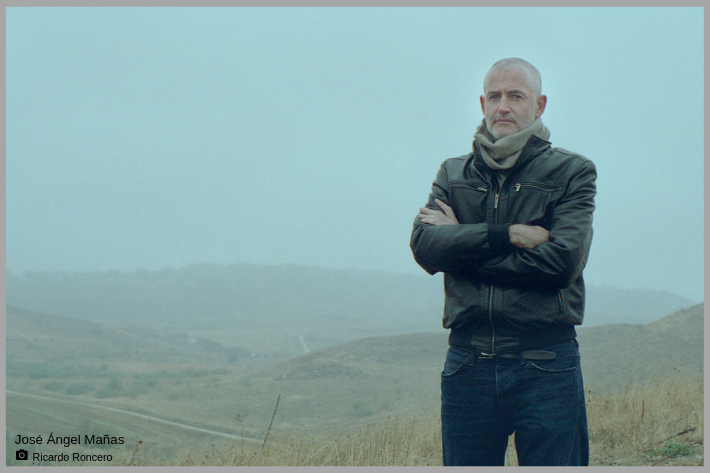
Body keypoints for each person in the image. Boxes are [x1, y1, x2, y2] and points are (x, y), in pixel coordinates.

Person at [410, 57, 596, 466]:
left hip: (546, 363)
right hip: (467, 365)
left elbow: (561, 263)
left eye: (516, 96)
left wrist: (462, 244)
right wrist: (507, 234)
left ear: (539, 105)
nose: (503, 107)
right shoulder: (453, 173)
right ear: (482, 104)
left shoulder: (571, 172)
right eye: (494, 97)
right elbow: (425, 247)